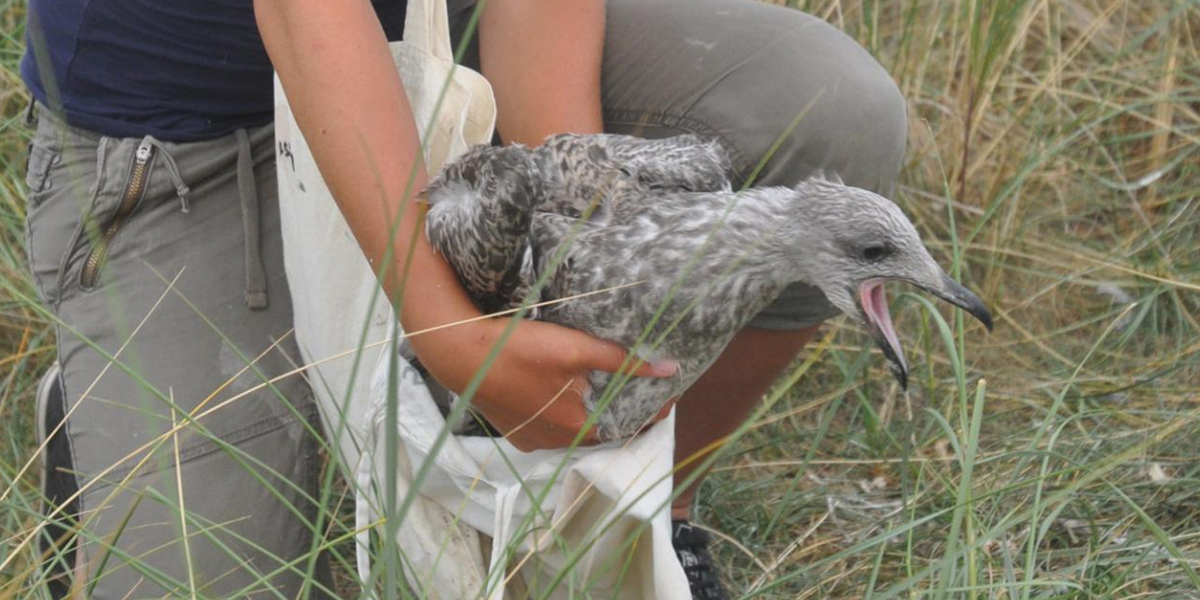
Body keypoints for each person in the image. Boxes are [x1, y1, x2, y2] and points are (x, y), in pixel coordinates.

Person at [22, 0, 906, 598]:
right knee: (215, 569)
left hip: (448, 52)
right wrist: (453, 333)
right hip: (188, 145)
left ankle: (646, 521)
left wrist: (576, 254)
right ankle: (98, 408)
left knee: (827, 111)